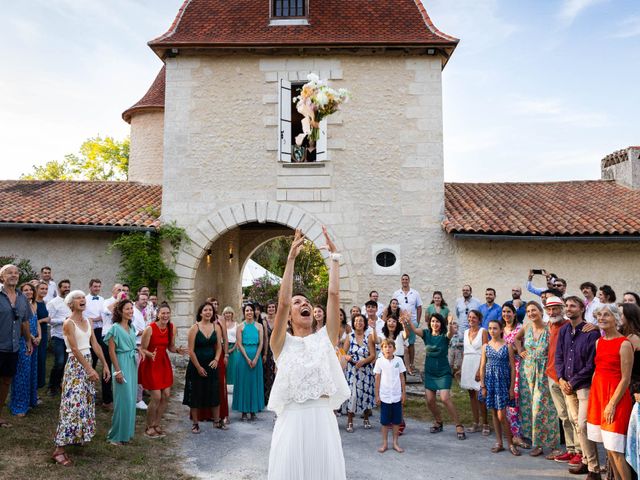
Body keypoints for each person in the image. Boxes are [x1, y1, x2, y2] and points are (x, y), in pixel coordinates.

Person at [267, 227, 350, 480]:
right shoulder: (281, 343)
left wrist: (335, 260)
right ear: (289, 316)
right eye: (297, 302)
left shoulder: (326, 339)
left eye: (307, 302)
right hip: (292, 423)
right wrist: (291, 258)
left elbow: (333, 296)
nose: (303, 304)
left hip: (322, 422)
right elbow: (282, 303)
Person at [52, 290, 110, 466]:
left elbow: (95, 344)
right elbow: (75, 349)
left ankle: (77, 436)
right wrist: (89, 370)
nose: (82, 300)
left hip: (88, 362)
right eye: (78, 298)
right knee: (71, 405)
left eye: (83, 297)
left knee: (84, 402)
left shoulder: (89, 321)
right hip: (75, 366)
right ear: (71, 304)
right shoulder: (68, 323)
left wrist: (105, 365)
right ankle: (59, 450)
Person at [555, 296, 601, 476]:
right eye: (567, 305)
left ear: (582, 309)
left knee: (582, 425)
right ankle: (585, 461)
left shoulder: (591, 332)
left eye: (573, 306)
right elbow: (559, 356)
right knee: (576, 424)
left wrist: (572, 382)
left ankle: (594, 469)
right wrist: (560, 378)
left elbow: (592, 364)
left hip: (584, 385)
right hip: (566, 384)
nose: (568, 308)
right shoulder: (564, 330)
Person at [403, 311, 466, 440]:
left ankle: (458, 425)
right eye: (432, 321)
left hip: (443, 371)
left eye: (437, 321)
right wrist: (408, 320)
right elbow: (414, 330)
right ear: (430, 323)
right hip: (430, 371)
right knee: (430, 400)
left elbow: (450, 332)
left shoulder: (445, 335)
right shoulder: (426, 334)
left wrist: (449, 322)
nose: (435, 323)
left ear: (440, 323)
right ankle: (438, 421)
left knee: (444, 398)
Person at [587, 304, 633, 480]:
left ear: (616, 318)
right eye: (599, 315)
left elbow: (625, 379)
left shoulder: (624, 344)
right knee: (608, 447)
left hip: (616, 399)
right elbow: (597, 371)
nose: (601, 318)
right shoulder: (599, 342)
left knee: (615, 449)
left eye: (606, 315)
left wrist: (612, 404)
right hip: (599, 397)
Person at [515, 301, 560, 457]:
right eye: (528, 311)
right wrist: (520, 349)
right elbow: (516, 339)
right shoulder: (527, 327)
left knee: (545, 409)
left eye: (534, 310)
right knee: (529, 409)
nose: (531, 313)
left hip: (544, 372)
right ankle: (538, 444)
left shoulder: (550, 327)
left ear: (541, 311)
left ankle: (554, 445)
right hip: (527, 372)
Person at [139, 302, 186, 438]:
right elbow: (142, 348)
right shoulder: (150, 329)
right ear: (157, 314)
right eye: (163, 313)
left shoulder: (172, 327)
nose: (165, 315)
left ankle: (157, 424)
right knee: (156, 397)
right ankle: (148, 426)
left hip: (163, 363)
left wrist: (177, 350)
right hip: (151, 363)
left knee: (166, 395)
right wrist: (149, 354)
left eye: (167, 313)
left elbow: (170, 347)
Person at [542, 296, 580, 463]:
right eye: (549, 309)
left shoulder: (568, 325)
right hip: (551, 375)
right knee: (563, 416)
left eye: (556, 308)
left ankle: (580, 451)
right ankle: (571, 449)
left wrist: (564, 377)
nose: (552, 312)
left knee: (574, 416)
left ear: (562, 309)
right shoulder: (549, 325)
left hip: (565, 377)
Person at [480, 319, 519, 456]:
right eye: (490, 328)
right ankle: (499, 442)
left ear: (501, 330)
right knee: (494, 413)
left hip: (503, 383)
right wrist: (483, 385)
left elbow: (513, 369)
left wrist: (511, 388)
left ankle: (511, 443)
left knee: (502, 414)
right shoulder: (485, 346)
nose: (492, 331)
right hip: (490, 383)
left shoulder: (507, 346)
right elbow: (483, 366)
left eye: (495, 328)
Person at [0, 265, 33, 428]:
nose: (13, 275)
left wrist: (27, 340)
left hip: (13, 347)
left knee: (6, 380)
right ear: (2, 277)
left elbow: (25, 321)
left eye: (16, 273)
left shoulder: (22, 298)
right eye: (9, 273)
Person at [184, 302, 223, 433]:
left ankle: (217, 421)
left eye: (210, 310)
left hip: (212, 364)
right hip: (196, 365)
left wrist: (217, 359)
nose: (208, 312)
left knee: (214, 392)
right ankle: (195, 423)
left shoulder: (216, 327)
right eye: (205, 310)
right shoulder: (194, 328)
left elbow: (219, 346)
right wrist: (198, 367)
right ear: (200, 313)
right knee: (195, 393)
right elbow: (190, 350)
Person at [105, 299, 138, 445]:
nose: (130, 311)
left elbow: (133, 345)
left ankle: (126, 434)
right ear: (120, 311)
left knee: (130, 400)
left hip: (131, 364)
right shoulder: (115, 328)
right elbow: (111, 352)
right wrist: (118, 371)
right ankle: (116, 435)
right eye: (127, 309)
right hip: (121, 364)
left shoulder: (132, 328)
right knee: (122, 400)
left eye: (131, 308)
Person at [10, 283, 41, 416]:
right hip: (24, 341)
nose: (29, 292)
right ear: (21, 293)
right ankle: (19, 406)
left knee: (32, 372)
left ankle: (30, 401)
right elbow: (21, 324)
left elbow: (37, 321)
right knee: (22, 373)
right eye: (25, 290)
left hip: (35, 342)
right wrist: (31, 337)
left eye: (30, 290)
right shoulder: (20, 305)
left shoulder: (35, 304)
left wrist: (40, 336)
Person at [343, 313, 376, 432]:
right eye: (356, 321)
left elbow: (373, 355)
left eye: (361, 321)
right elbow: (343, 351)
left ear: (365, 323)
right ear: (353, 323)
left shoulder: (369, 337)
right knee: (353, 395)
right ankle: (350, 421)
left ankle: (366, 418)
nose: (359, 323)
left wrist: (363, 362)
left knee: (366, 395)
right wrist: (346, 357)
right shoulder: (349, 336)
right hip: (352, 371)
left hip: (366, 370)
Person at [232, 303, 264, 420]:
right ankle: (244, 411)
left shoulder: (259, 326)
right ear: (244, 313)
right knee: (243, 384)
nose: (249, 312)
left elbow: (261, 343)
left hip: (256, 357)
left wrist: (255, 358)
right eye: (247, 311)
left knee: (254, 384)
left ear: (254, 312)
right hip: (243, 358)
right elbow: (239, 344)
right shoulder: (240, 326)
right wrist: (247, 358)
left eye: (251, 310)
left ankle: (253, 411)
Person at [373, 338, 406, 453]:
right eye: (385, 347)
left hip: (396, 396)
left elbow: (402, 377)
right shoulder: (379, 361)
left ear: (394, 349)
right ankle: (385, 443)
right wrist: (377, 395)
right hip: (385, 396)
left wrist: (403, 393)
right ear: (382, 349)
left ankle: (395, 443)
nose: (388, 349)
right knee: (385, 421)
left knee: (397, 421)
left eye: (390, 347)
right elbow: (377, 379)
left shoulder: (399, 361)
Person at [502, 303, 527, 448]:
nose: (506, 314)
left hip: (516, 367)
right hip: (502, 368)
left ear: (514, 313)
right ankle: (510, 431)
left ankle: (517, 434)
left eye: (509, 312)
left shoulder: (520, 328)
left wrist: (513, 349)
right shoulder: (500, 329)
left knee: (514, 400)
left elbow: (523, 348)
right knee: (505, 401)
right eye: (504, 312)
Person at [460, 309, 489, 435]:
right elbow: (464, 351)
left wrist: (480, 370)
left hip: (478, 363)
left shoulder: (483, 331)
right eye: (469, 317)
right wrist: (461, 368)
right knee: (471, 395)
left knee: (481, 396)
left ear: (479, 319)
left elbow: (485, 351)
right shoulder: (465, 332)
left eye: (474, 317)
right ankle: (475, 422)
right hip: (467, 363)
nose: (471, 319)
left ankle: (486, 424)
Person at [392, 274, 422, 375]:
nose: (405, 281)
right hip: (400, 322)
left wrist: (417, 321)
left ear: (409, 281)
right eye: (403, 279)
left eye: (406, 279)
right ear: (401, 281)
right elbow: (393, 305)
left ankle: (411, 364)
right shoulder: (396, 293)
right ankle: (402, 365)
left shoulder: (415, 293)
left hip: (412, 321)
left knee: (411, 343)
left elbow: (419, 307)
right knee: (400, 342)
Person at [47, 279, 71, 396]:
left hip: (70, 337)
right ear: (59, 289)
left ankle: (60, 383)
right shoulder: (53, 303)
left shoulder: (72, 301)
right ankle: (52, 386)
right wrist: (64, 320)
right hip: (58, 336)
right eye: (64, 287)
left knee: (66, 363)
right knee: (59, 362)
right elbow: (49, 321)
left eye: (68, 287)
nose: (66, 289)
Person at [132, 293, 148, 410]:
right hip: (135, 346)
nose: (144, 301)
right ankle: (137, 399)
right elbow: (132, 331)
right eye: (142, 299)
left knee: (141, 373)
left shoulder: (142, 313)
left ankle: (138, 397)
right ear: (136, 301)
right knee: (137, 373)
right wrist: (146, 332)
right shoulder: (133, 312)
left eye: (146, 299)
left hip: (142, 345)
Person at [35, 281, 50, 389]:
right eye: (42, 288)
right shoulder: (33, 303)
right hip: (35, 334)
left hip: (44, 333)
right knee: (36, 358)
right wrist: (44, 320)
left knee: (42, 358)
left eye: (46, 289)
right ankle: (34, 383)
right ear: (36, 289)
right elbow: (31, 321)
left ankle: (39, 384)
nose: (44, 291)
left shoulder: (44, 302)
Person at [263, 301, 277, 406]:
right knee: (267, 374)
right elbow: (265, 338)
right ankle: (267, 399)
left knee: (276, 374)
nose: (271, 309)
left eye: (273, 307)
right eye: (269, 307)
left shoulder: (279, 319)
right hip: (267, 349)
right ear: (266, 309)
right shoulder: (264, 321)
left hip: (278, 348)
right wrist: (265, 353)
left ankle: (276, 398)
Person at [224, 306, 238, 387]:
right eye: (226, 313)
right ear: (224, 314)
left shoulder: (236, 324)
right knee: (225, 368)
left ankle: (232, 387)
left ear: (232, 314)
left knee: (232, 368)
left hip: (233, 348)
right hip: (223, 347)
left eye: (229, 313)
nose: (228, 315)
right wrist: (225, 350)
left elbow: (238, 339)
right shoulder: (221, 324)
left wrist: (232, 349)